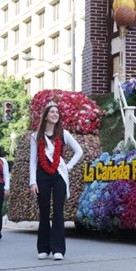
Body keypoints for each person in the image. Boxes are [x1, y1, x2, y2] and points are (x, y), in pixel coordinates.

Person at [29, 101, 83, 260]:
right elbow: (33, 160)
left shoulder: (63, 133)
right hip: (42, 175)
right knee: (44, 212)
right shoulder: (36, 136)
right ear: (45, 116)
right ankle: (43, 248)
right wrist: (33, 181)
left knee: (58, 212)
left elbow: (78, 151)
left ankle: (58, 249)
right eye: (52, 112)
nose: (55, 114)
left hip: (59, 175)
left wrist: (69, 166)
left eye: (57, 112)